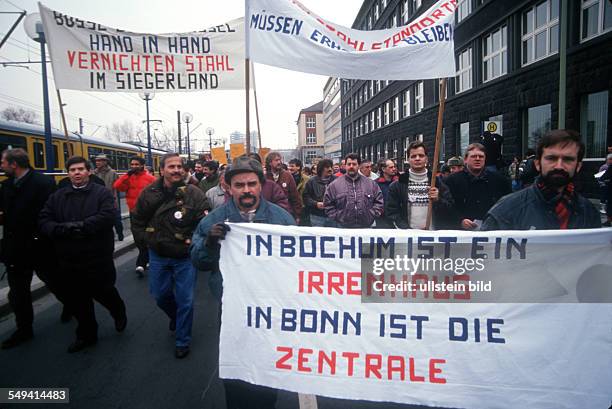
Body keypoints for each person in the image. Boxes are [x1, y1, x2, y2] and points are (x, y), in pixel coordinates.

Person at [191, 155, 295, 409]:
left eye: (251, 184)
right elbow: (198, 260)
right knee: (236, 370)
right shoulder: (213, 220)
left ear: (261, 185)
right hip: (232, 308)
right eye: (239, 185)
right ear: (228, 187)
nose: (246, 190)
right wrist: (209, 244)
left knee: (267, 367)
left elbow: (296, 263)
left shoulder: (281, 220)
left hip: (271, 307)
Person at [39, 156, 127, 353]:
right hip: (69, 258)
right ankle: (87, 334)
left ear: (88, 171)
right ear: (68, 173)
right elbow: (45, 219)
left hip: (97, 255)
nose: (76, 173)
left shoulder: (102, 193)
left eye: (80, 169)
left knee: (104, 290)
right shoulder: (58, 196)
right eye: (72, 170)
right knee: (78, 299)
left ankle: (118, 310)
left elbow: (107, 215)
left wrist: (81, 226)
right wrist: (60, 229)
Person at [131, 153, 207, 359]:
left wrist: (194, 239)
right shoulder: (149, 193)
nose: (176, 170)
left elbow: (204, 222)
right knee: (160, 295)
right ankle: (175, 316)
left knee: (186, 301)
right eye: (171, 166)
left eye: (179, 166)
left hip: (184, 257)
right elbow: (137, 220)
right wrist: (146, 244)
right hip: (158, 255)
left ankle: (182, 340)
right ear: (162, 169)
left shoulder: (195, 193)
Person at [0, 148, 63, 349]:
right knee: (18, 292)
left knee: (55, 282)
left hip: (40, 247)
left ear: (13, 164)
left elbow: (52, 213)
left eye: (3, 162)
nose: (1, 165)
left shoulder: (43, 183)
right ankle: (24, 329)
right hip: (15, 249)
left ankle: (72, 306)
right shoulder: (6, 185)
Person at [482, 130, 601, 230]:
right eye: (551, 158)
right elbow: (485, 254)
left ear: (578, 166)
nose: (559, 166)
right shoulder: (505, 211)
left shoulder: (589, 212)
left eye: (568, 159)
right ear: (538, 164)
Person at [385, 142, 453, 229]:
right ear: (408, 159)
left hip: (433, 237)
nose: (417, 159)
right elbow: (392, 213)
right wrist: (406, 230)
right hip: (408, 238)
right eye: (413, 156)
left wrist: (438, 200)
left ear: (426, 159)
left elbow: (450, 210)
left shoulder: (438, 183)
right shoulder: (397, 186)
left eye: (421, 155)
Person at [444, 143, 511, 230]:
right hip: (462, 234)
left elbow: (507, 206)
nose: (477, 159)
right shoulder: (451, 181)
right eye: (473, 156)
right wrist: (459, 221)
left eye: (481, 156)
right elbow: (447, 207)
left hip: (492, 232)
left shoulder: (499, 180)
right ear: (465, 159)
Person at [113, 156, 156, 277]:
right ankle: (145, 258)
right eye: (132, 164)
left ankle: (141, 263)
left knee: (146, 236)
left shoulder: (150, 178)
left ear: (142, 165)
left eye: (136, 164)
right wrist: (126, 175)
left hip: (147, 212)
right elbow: (117, 186)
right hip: (134, 211)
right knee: (138, 237)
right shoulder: (129, 177)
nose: (133, 167)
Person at [324, 153, 384, 228]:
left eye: (354, 164)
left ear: (359, 166)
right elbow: (328, 204)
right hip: (343, 228)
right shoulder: (334, 185)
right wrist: (338, 217)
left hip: (366, 227)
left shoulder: (371, 184)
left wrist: (371, 215)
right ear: (345, 166)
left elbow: (379, 202)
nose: (351, 166)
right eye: (349, 164)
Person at [265, 152, 303, 222]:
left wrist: (297, 215)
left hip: (285, 214)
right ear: (270, 163)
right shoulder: (264, 177)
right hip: (268, 216)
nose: (279, 162)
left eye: (280, 160)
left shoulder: (287, 176)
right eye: (276, 160)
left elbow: (295, 197)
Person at [93, 154, 124, 241]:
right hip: (99, 199)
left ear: (105, 162)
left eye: (99, 161)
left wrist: (114, 198)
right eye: (96, 161)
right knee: (103, 220)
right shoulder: (94, 173)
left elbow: (117, 186)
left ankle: (120, 233)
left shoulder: (113, 173)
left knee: (116, 219)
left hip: (112, 198)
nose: (97, 162)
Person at [302, 159, 336, 227]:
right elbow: (306, 197)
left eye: (330, 167)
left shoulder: (337, 180)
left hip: (333, 215)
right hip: (317, 216)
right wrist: (316, 204)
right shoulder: (311, 181)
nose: (330, 169)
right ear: (321, 168)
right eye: (327, 167)